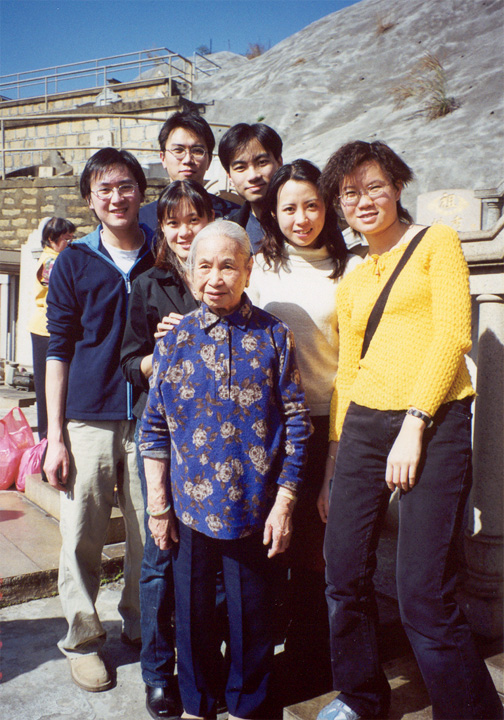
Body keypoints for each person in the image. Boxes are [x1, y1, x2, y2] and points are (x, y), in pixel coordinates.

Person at [315, 140, 503, 720]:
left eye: (375, 186)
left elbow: (453, 335)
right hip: (362, 428)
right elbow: (348, 371)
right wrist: (333, 462)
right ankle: (360, 695)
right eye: (350, 193)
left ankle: (470, 711)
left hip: (435, 421)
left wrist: (415, 424)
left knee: (423, 591)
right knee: (343, 572)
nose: (363, 200)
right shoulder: (353, 277)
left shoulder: (435, 243)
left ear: (398, 187)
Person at [138, 220, 312, 720]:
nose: (216, 278)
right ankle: (197, 704)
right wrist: (158, 508)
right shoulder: (174, 340)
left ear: (248, 271)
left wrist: (284, 503)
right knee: (191, 616)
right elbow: (154, 429)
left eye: (228, 266)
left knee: (252, 618)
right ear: (190, 274)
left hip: (254, 508)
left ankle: (246, 706)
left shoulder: (274, 335)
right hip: (190, 509)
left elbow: (297, 424)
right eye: (205, 266)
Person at [247, 159, 361, 698]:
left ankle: (310, 662)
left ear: (328, 206)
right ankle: (257, 659)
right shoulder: (258, 265)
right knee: (266, 545)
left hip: (323, 422)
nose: (302, 218)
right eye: (289, 207)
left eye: (312, 205)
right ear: (272, 212)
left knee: (316, 548)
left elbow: (354, 359)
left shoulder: (349, 268)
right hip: (263, 424)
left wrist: (337, 447)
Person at [44, 148, 155, 693]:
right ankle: (84, 640)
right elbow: (58, 350)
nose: (116, 197)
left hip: (151, 416)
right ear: (90, 200)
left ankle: (140, 620)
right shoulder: (74, 261)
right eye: (104, 189)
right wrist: (54, 435)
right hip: (88, 417)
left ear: (141, 191)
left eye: (125, 185)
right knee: (82, 535)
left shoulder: (162, 252)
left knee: (150, 532)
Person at [121, 180, 214, 719]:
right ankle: (158, 673)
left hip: (219, 437)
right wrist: (160, 351)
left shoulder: (226, 274)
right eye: (173, 222)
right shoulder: (148, 284)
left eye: (193, 219)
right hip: (163, 435)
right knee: (160, 554)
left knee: (213, 558)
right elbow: (129, 363)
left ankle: (203, 666)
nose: (183, 232)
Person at [140, 111, 238, 230]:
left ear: (209, 160)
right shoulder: (143, 220)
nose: (187, 160)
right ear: (163, 158)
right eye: (178, 150)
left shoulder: (234, 217)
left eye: (197, 151)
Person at [28, 216, 75, 440]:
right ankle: (46, 440)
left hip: (49, 327)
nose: (70, 243)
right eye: (66, 239)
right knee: (48, 388)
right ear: (51, 239)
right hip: (45, 330)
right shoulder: (51, 262)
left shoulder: (56, 259)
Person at [218, 122, 283, 253]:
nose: (253, 176)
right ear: (229, 176)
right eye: (240, 167)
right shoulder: (226, 234)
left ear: (279, 163)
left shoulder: (306, 221)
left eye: (262, 162)